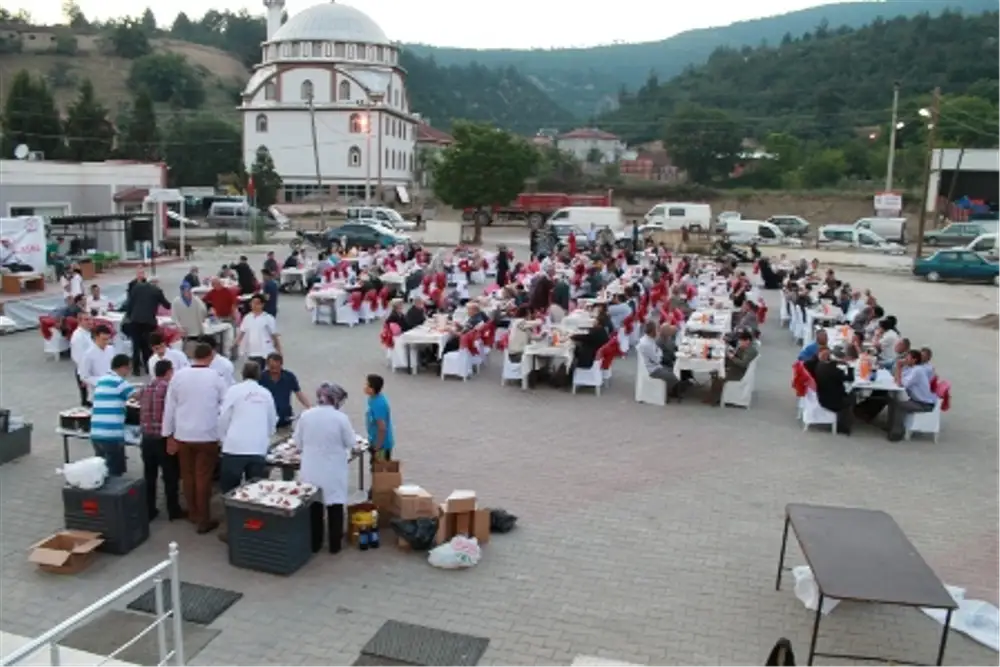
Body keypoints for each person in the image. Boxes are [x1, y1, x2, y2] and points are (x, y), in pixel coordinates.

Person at [162, 343, 228, 534]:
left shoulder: (179, 376)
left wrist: (168, 434)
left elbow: (170, 407)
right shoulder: (216, 377)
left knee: (188, 476)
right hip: (207, 434)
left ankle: (193, 512)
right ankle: (204, 519)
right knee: (203, 477)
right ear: (210, 356)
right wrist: (223, 433)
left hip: (183, 434)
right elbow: (225, 406)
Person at [293, 383, 355, 554]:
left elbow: (297, 442)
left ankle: (315, 543)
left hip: (311, 468)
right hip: (333, 469)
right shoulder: (341, 418)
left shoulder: (306, 415)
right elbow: (350, 442)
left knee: (315, 505)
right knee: (335, 506)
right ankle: (335, 545)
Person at [218, 361, 277, 494]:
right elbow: (272, 421)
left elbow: (223, 417)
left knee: (229, 490)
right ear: (259, 375)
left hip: (234, 447)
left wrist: (223, 438)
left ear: (242, 374)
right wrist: (265, 437)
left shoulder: (233, 391)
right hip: (258, 448)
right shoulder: (266, 393)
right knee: (256, 491)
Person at [139, 359, 185, 521]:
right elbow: (173, 414)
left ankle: (149, 509)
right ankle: (173, 510)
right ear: (169, 372)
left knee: (149, 475)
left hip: (146, 438)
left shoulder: (145, 388)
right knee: (170, 475)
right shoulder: (169, 389)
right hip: (162, 438)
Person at [90, 353, 136, 476]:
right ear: (123, 367)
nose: (128, 372)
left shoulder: (101, 380)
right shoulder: (120, 382)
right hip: (111, 435)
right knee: (114, 473)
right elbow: (137, 396)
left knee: (101, 470)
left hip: (96, 432)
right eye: (129, 368)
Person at [122, 274, 171, 376]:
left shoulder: (136, 288)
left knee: (136, 345)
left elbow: (130, 304)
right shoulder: (157, 291)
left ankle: (136, 369)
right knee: (147, 345)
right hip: (149, 321)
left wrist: (130, 316)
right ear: (156, 283)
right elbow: (167, 305)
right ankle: (148, 367)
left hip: (135, 320)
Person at [887, 349, 938, 441]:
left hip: (923, 403)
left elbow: (901, 384)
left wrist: (899, 367)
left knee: (898, 405)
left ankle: (896, 433)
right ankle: (890, 426)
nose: (905, 360)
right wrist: (899, 368)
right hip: (916, 399)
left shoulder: (917, 371)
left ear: (914, 360)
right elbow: (897, 379)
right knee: (891, 399)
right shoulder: (911, 368)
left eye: (907, 358)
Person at [705, 330, 759, 406]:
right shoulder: (745, 348)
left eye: (741, 341)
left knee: (719, 377)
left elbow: (743, 363)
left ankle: (714, 399)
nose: (740, 343)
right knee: (718, 371)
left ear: (747, 341)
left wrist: (732, 357)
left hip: (739, 373)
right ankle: (713, 395)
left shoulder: (750, 351)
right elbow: (738, 355)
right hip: (736, 368)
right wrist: (733, 352)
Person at [259, 353, 310, 431]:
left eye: (277, 367)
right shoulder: (261, 377)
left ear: (281, 364)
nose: (275, 370)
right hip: (266, 418)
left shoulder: (289, 377)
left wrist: (309, 407)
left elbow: (299, 394)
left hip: (285, 417)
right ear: (267, 365)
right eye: (272, 367)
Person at [812, 347, 853, 435]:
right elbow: (850, 378)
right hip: (831, 401)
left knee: (849, 394)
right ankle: (843, 426)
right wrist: (850, 367)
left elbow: (833, 365)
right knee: (851, 398)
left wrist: (840, 362)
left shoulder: (820, 365)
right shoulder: (835, 371)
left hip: (822, 395)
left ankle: (847, 419)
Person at [237, 293, 281, 368]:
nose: (254, 305)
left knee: (259, 370)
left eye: (257, 303)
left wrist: (279, 350)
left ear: (262, 305)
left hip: (263, 351)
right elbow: (242, 332)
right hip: (251, 350)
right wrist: (235, 344)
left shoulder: (268, 318)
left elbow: (274, 335)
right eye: (252, 303)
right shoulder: (247, 317)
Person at [637, 321, 679, 397]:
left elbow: (658, 352)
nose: (658, 332)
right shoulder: (647, 343)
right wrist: (658, 353)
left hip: (654, 365)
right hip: (653, 369)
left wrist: (658, 352)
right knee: (673, 377)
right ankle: (668, 393)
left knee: (674, 371)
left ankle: (670, 390)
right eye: (656, 330)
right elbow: (657, 359)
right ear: (652, 331)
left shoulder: (649, 340)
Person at [79, 324, 116, 400]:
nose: (106, 342)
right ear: (96, 337)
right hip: (97, 391)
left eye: (108, 339)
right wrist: (102, 381)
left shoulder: (111, 349)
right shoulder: (88, 354)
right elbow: (84, 376)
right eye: (104, 339)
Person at [365, 374, 394, 462]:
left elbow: (382, 428)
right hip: (374, 440)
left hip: (381, 446)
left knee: (380, 468)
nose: (365, 387)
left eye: (367, 385)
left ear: (373, 388)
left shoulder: (379, 404)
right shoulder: (372, 399)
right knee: (374, 466)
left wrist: (377, 447)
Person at [172, 282, 207, 347]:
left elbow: (203, 310)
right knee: (187, 347)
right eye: (186, 291)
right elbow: (174, 317)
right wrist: (179, 327)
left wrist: (202, 318)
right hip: (184, 330)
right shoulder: (176, 301)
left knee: (196, 347)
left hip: (196, 330)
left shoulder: (196, 299)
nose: (188, 292)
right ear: (182, 291)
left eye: (189, 290)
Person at [70, 313, 94, 406]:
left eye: (91, 319)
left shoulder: (88, 333)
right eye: (86, 320)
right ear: (79, 321)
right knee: (87, 400)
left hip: (91, 369)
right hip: (84, 370)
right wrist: (84, 376)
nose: (90, 322)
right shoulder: (78, 337)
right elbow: (79, 358)